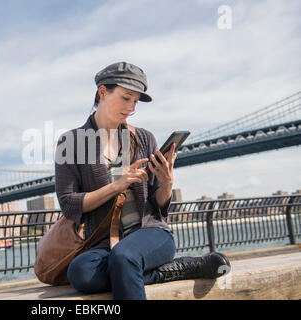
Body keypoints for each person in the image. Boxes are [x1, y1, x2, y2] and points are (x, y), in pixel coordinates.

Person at [54, 61, 230, 300]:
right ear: (103, 92)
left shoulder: (144, 138)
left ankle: (141, 265)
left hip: (151, 233)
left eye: (135, 101)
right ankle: (172, 270)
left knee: (125, 257)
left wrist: (166, 182)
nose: (131, 108)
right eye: (126, 98)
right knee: (81, 272)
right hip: (105, 241)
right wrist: (118, 185)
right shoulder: (71, 142)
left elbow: (159, 205)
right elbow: (69, 203)